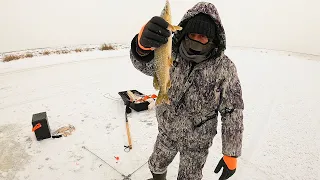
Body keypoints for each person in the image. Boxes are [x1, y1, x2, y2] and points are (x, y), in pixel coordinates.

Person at [129, 2, 244, 180]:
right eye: (193, 34)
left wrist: (231, 152)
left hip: (198, 142)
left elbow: (232, 110)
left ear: (213, 40)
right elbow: (143, 64)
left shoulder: (225, 68)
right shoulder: (169, 52)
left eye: (203, 37)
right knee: (156, 164)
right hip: (167, 131)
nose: (197, 39)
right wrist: (141, 48)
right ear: (184, 32)